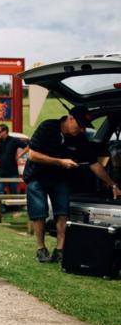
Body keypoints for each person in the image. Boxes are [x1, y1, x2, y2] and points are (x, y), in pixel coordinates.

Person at [24, 105, 121, 263]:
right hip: (37, 176)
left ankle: (60, 250)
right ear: (70, 118)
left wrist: (113, 184)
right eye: (80, 125)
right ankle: (41, 249)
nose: (82, 130)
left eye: (84, 127)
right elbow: (33, 155)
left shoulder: (80, 138)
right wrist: (60, 162)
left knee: (62, 213)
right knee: (39, 212)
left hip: (60, 179)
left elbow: (94, 164)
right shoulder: (48, 127)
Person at [0, 124, 28, 202]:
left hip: (12, 171)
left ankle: (15, 210)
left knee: (14, 192)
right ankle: (0, 210)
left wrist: (19, 155)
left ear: (5, 131)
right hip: (1, 172)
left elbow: (28, 146)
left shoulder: (13, 140)